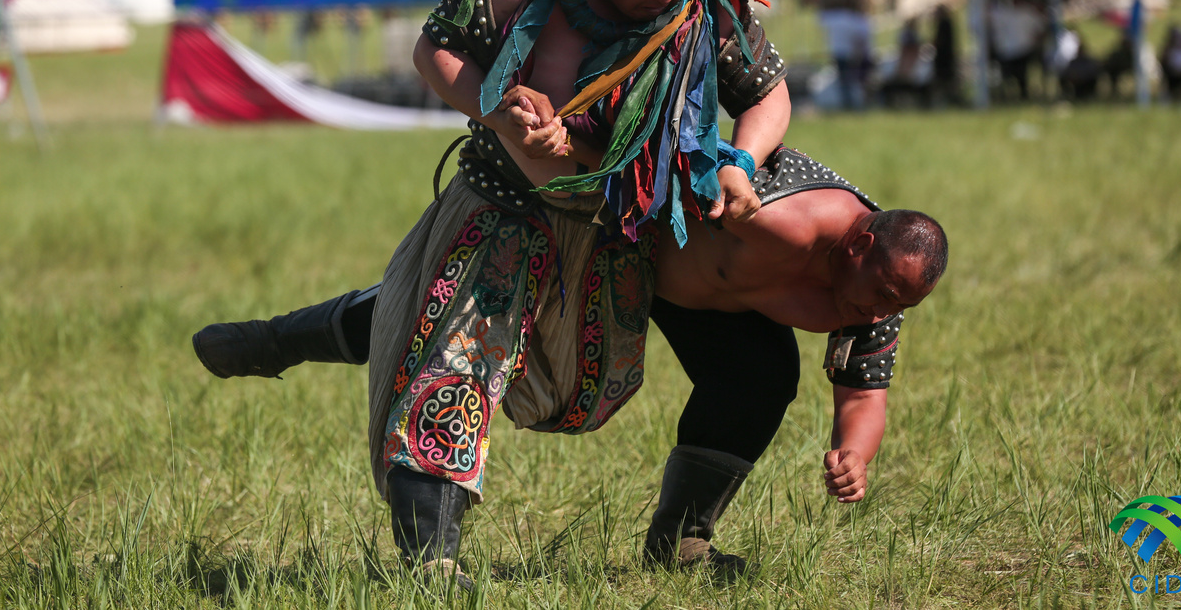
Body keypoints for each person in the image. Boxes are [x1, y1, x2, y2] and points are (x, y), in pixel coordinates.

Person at [197, 0, 790, 589]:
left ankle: (683, 540)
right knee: (454, 358)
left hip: (638, 218)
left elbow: (766, 94)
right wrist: (503, 115)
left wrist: (739, 163)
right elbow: (435, 53)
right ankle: (431, 563)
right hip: (507, 202)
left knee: (756, 365)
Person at [195, 147, 948, 583]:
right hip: (618, 242)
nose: (881, 310)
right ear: (854, 247)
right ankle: (280, 339)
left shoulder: (874, 298)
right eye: (880, 291)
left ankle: (682, 540)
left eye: (897, 302)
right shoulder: (775, 210)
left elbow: (865, 390)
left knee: (762, 381)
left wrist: (856, 452)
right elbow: (673, 157)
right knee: (454, 315)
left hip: (713, 309)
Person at [817, 0, 873, 110]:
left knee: (844, 81)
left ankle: (849, 103)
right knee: (854, 81)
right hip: (852, 53)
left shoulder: (834, 17)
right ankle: (853, 104)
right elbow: (860, 39)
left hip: (839, 53)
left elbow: (820, 17)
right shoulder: (855, 19)